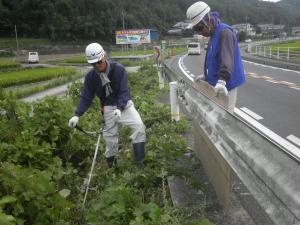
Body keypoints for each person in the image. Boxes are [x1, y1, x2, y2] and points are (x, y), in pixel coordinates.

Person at [68, 43, 146, 168]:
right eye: (93, 64)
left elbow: (124, 91)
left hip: (124, 105)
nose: (97, 66)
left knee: (139, 126)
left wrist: (120, 108)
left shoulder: (118, 69)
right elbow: (86, 97)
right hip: (108, 108)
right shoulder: (91, 77)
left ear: (104, 56)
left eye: (99, 62)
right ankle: (113, 170)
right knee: (110, 140)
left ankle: (140, 164)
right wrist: (77, 115)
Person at [186, 1, 246, 112]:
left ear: (208, 19)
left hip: (226, 86)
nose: (199, 32)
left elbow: (227, 59)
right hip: (216, 84)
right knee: (215, 115)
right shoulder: (213, 34)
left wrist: (222, 81)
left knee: (225, 119)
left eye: (199, 28)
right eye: (195, 30)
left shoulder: (225, 32)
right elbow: (213, 59)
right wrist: (206, 76)